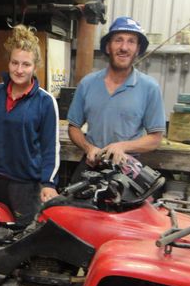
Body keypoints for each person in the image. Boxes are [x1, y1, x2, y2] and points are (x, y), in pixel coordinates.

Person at [0, 25, 60, 224]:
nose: (19, 70)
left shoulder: (45, 102)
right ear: (9, 62)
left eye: (26, 64)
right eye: (15, 63)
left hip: (27, 186)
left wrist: (48, 183)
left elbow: (51, 148)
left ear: (35, 66)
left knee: (22, 240)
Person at [67, 16, 165, 178]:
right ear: (107, 47)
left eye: (131, 41)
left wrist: (122, 146)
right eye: (118, 40)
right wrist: (89, 148)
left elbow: (155, 138)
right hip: (92, 163)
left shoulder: (149, 88)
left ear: (138, 49)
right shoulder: (88, 83)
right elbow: (73, 127)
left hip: (127, 169)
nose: (124, 47)